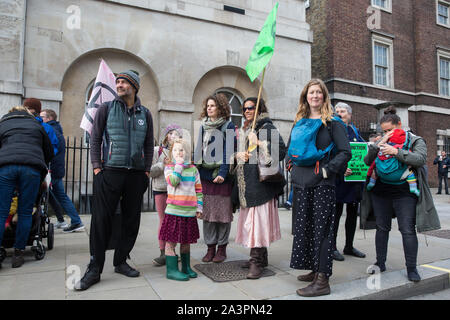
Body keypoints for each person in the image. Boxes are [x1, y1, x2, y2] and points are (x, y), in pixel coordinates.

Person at [75, 70, 154, 291]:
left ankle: (120, 261)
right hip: (110, 172)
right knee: (101, 220)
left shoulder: (145, 114)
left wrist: (146, 170)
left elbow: (149, 144)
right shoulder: (106, 109)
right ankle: (94, 268)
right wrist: (97, 168)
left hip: (136, 175)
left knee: (131, 221)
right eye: (118, 82)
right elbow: (95, 138)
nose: (119, 85)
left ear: (134, 87)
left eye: (124, 82)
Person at [360, 106, 440, 283]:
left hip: (404, 192)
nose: (387, 133)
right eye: (384, 131)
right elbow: (367, 161)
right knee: (382, 228)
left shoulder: (414, 140)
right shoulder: (381, 140)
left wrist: (396, 152)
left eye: (390, 130)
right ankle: (380, 263)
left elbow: (420, 159)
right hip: (381, 191)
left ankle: (411, 268)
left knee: (407, 230)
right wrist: (376, 147)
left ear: (400, 125)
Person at [288, 79, 351, 297]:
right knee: (305, 228)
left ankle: (322, 280)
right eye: (311, 92)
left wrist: (327, 170)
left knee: (322, 230)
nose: (315, 96)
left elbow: (345, 152)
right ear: (305, 96)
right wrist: (289, 164)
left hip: (323, 184)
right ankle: (315, 269)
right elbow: (291, 149)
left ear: (324, 96)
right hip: (302, 183)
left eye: (318, 92)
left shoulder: (333, 123)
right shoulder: (300, 121)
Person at [231, 97, 286, 280]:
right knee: (255, 224)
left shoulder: (266, 127)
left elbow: (282, 150)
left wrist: (261, 143)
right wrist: (239, 155)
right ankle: (261, 258)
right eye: (244, 108)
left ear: (259, 108)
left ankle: (256, 262)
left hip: (261, 185)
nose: (247, 110)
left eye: (251, 107)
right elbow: (243, 154)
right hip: (248, 183)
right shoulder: (247, 128)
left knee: (256, 225)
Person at [0, 106, 54, 269]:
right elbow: (49, 152)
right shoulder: (36, 126)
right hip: (31, 169)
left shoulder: (3, 124)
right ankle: (18, 253)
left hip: (6, 168)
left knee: (1, 211)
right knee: (25, 211)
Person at [194, 93, 236, 263]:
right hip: (205, 177)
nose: (209, 108)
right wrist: (193, 171)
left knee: (223, 215)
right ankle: (210, 248)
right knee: (208, 214)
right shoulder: (203, 126)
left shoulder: (229, 126)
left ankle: (222, 249)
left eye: (213, 106)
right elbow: (198, 150)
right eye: (208, 106)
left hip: (221, 178)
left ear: (221, 108)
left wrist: (222, 173)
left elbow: (229, 152)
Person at [160, 138, 202, 281]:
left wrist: (199, 207)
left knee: (186, 241)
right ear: (172, 153)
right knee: (171, 242)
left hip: (189, 212)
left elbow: (199, 190)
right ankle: (171, 270)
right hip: (173, 212)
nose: (179, 152)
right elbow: (173, 181)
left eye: (182, 150)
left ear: (187, 153)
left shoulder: (193, 169)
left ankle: (186, 267)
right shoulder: (169, 168)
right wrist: (178, 166)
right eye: (176, 150)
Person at [40, 109, 84, 232]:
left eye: (42, 116)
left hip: (51, 170)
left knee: (58, 195)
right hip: (55, 169)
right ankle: (61, 220)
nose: (39, 118)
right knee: (50, 195)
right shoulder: (56, 130)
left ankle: (76, 221)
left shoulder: (49, 131)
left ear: (49, 119)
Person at [332, 102, 366, 261]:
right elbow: (330, 154)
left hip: (353, 181)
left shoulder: (354, 130)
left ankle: (349, 246)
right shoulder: (331, 129)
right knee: (336, 214)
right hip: (339, 179)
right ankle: (332, 247)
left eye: (343, 111)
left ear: (350, 114)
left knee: (352, 214)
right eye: (337, 111)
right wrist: (341, 168)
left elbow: (361, 150)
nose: (339, 113)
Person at [149, 124, 182, 266]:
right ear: (166, 136)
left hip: (176, 190)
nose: (173, 136)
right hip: (161, 189)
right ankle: (163, 252)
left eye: (176, 134)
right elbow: (150, 172)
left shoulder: (180, 151)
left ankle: (172, 250)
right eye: (171, 133)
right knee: (163, 220)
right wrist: (163, 164)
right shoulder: (158, 150)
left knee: (174, 221)